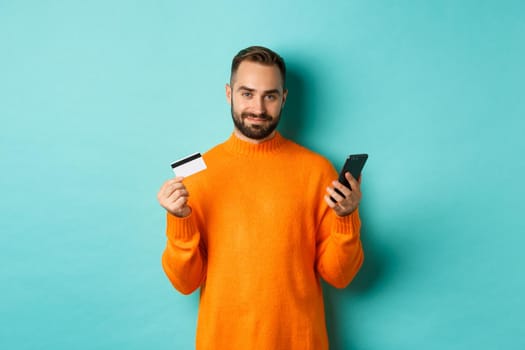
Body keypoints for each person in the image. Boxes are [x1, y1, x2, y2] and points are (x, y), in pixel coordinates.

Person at [157, 46, 364, 349]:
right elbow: (185, 283)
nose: (258, 107)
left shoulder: (317, 170)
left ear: (284, 98)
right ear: (229, 94)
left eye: (270, 95)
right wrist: (179, 221)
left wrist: (346, 219)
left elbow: (339, 277)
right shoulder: (196, 174)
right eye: (247, 94)